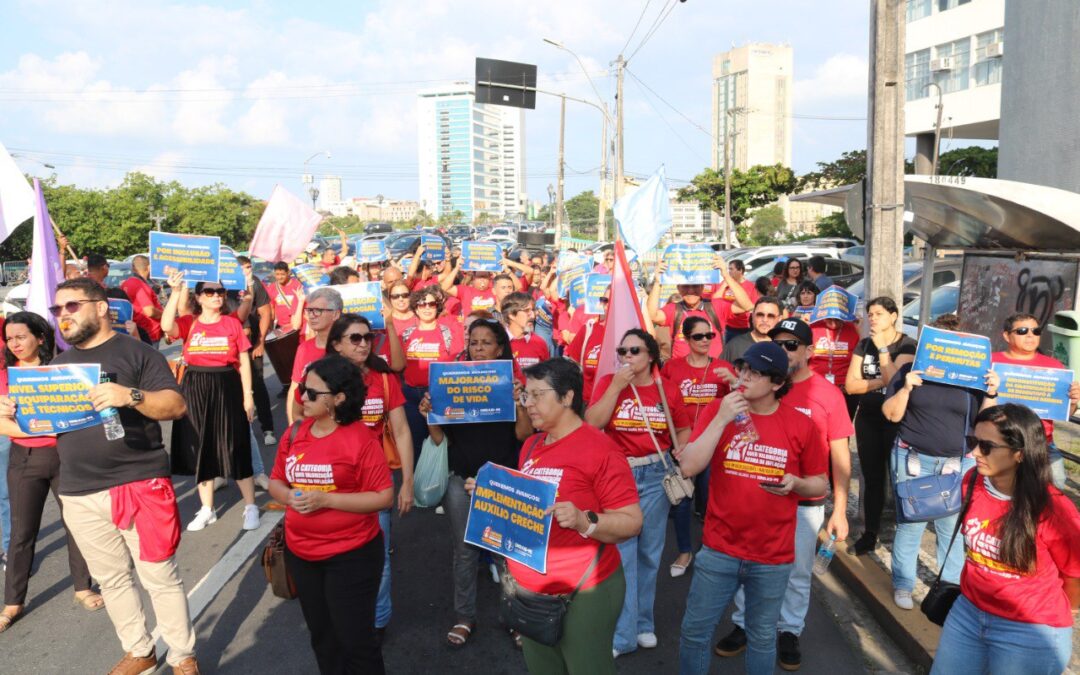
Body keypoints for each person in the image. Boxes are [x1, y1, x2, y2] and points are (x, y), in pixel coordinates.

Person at [18, 277, 199, 673]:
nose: (62, 316)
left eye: (71, 306)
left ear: (100, 307)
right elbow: (38, 428)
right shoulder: (56, 367)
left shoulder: (137, 353)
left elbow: (175, 405)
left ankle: (183, 656)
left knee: (159, 576)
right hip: (80, 491)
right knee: (112, 579)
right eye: (57, 310)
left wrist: (130, 396)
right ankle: (139, 650)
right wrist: (13, 415)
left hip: (138, 481)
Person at [676, 342, 828, 675]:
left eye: (755, 373)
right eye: (743, 369)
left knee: (761, 638)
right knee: (694, 633)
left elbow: (821, 483)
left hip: (772, 556)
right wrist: (721, 419)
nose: (744, 377)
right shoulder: (722, 410)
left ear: (776, 383)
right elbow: (688, 466)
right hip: (719, 548)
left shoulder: (800, 425)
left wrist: (797, 484)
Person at [715, 319, 854, 670]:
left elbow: (839, 456)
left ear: (809, 351)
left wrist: (839, 509)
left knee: (797, 571)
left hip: (804, 502)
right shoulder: (757, 389)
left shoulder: (828, 394)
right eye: (777, 343)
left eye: (792, 345)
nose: (783, 350)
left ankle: (789, 630)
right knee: (749, 565)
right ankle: (744, 624)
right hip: (758, 499)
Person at [496, 357, 643, 674]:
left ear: (567, 397)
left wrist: (583, 521)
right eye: (526, 395)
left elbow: (631, 521)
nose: (528, 404)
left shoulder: (600, 449)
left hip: (584, 590)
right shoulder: (532, 444)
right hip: (531, 590)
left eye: (538, 395)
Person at [930, 404, 1080, 675]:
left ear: (1019, 453)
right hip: (968, 613)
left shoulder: (1054, 509)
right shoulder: (971, 481)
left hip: (1029, 630)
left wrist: (1043, 610)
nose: (974, 453)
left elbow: (1075, 576)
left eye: (986, 446)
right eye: (973, 441)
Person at [269, 355, 393, 675]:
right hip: (302, 553)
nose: (302, 398)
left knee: (355, 641)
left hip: (351, 555)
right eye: (301, 391)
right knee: (323, 639)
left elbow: (383, 496)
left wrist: (327, 501)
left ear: (338, 398)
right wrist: (289, 497)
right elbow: (276, 481)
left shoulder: (360, 439)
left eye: (312, 393)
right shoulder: (296, 432)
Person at [418, 319, 531, 648]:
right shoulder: (452, 381)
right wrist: (430, 413)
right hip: (461, 479)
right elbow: (441, 438)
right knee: (465, 553)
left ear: (499, 348)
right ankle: (464, 616)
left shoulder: (512, 383)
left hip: (502, 481)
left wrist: (519, 402)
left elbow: (523, 436)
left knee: (505, 555)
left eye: (486, 342)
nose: (479, 348)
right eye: (474, 342)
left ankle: (515, 619)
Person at [881, 313, 998, 611]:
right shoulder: (911, 370)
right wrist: (907, 387)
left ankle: (948, 591)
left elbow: (987, 423)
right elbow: (891, 415)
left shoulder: (973, 378)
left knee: (951, 530)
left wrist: (992, 392)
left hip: (956, 464)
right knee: (910, 524)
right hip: (912, 458)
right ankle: (904, 583)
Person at [585, 329, 690, 657]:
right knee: (624, 553)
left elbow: (683, 428)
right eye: (622, 351)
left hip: (657, 476)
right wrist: (616, 386)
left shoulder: (667, 389)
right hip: (619, 474)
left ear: (650, 356)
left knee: (649, 552)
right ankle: (623, 634)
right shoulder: (609, 383)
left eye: (635, 351)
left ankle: (644, 624)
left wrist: (683, 451)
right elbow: (592, 423)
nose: (627, 357)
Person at [0, 312, 102, 634]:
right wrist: (40, 429)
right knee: (21, 533)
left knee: (76, 523)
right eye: (10, 338)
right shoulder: (5, 376)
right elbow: (2, 425)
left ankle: (83, 587)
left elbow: (86, 409)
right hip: (25, 459)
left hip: (66, 455)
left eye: (21, 336)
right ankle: (13, 602)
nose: (15, 344)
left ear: (40, 338)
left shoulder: (62, 371)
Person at [326, 314, 414, 637]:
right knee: (336, 554)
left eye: (367, 337)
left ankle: (377, 620)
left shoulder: (384, 378)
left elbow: (402, 430)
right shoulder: (321, 379)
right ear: (336, 344)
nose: (364, 344)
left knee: (379, 555)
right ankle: (343, 615)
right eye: (354, 338)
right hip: (332, 479)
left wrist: (407, 481)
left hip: (375, 481)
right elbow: (303, 423)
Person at [161, 273, 259, 533]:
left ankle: (250, 506)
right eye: (209, 292)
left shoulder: (231, 323)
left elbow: (244, 360)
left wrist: (248, 395)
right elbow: (165, 325)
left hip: (227, 385)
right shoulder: (189, 323)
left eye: (220, 292)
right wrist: (174, 291)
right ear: (198, 297)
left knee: (235, 444)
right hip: (194, 386)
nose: (216, 296)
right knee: (199, 445)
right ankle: (207, 508)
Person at [660, 317, 736, 578]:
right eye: (698, 336)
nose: (705, 341)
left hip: (714, 445)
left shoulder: (724, 368)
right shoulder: (671, 368)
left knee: (712, 500)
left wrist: (734, 383)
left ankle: (711, 549)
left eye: (709, 336)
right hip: (683, 445)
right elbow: (662, 403)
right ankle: (684, 550)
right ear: (686, 339)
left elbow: (743, 403)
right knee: (682, 501)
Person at [844, 296, 917, 556]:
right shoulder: (864, 344)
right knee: (872, 478)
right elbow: (851, 386)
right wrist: (881, 383)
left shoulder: (907, 344)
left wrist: (884, 351)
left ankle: (903, 535)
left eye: (879, 314)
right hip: (869, 417)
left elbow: (894, 380)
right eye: (871, 314)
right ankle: (870, 533)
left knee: (900, 478)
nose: (873, 318)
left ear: (894, 316)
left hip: (897, 419)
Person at [990, 312, 1080, 490]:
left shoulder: (1055, 367)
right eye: (1022, 331)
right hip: (1002, 442)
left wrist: (1074, 400)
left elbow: (1064, 413)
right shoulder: (991, 362)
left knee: (1056, 486)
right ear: (1007, 336)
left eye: (1036, 331)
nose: (1030, 335)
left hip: (1041, 442)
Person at [401, 286, 463, 463]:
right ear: (415, 308)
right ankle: (417, 484)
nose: (427, 308)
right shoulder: (406, 334)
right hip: (411, 395)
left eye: (431, 304)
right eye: (422, 305)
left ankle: (442, 481)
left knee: (442, 442)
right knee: (415, 444)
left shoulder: (448, 332)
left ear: (438, 307)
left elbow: (456, 364)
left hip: (438, 395)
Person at [288, 288, 344, 424]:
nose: (311, 316)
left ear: (336, 314)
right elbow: (294, 389)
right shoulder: (304, 348)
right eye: (309, 310)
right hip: (311, 430)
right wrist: (293, 428)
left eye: (318, 310)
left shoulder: (348, 348)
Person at [238, 255, 277, 446]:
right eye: (244, 267)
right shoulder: (226, 286)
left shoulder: (255, 283)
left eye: (249, 266)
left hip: (252, 343)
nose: (248, 270)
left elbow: (265, 312)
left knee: (258, 384)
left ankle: (267, 428)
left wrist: (260, 341)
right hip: (232, 346)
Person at [647, 265, 724, 360]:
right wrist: (658, 282)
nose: (690, 291)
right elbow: (651, 316)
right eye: (685, 286)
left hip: (712, 371)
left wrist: (727, 276)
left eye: (695, 286)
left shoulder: (716, 306)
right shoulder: (674, 309)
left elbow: (746, 306)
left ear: (702, 287)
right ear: (678, 288)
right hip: (681, 372)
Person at [720, 296, 783, 364]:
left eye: (771, 316)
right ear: (752, 316)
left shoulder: (786, 348)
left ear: (779, 318)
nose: (765, 320)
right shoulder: (735, 346)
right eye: (760, 314)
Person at [120, 254, 163, 345]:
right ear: (149, 267)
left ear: (133, 268)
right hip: (149, 332)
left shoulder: (125, 283)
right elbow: (149, 311)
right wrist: (164, 315)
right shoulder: (140, 286)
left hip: (136, 331)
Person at [712, 260, 758, 344]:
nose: (729, 272)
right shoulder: (725, 284)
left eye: (731, 269)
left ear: (740, 270)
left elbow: (751, 306)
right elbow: (715, 301)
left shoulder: (750, 286)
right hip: (726, 327)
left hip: (743, 327)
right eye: (728, 269)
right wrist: (724, 285)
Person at [502, 292, 549, 371]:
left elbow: (546, 376)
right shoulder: (498, 342)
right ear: (511, 315)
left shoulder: (540, 343)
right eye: (527, 311)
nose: (533, 316)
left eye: (533, 310)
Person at [266, 261, 303, 331]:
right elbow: (272, 309)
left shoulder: (298, 285)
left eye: (282, 274)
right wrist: (270, 328)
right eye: (277, 274)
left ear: (288, 272)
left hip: (298, 325)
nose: (280, 277)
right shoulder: (271, 288)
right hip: (281, 327)